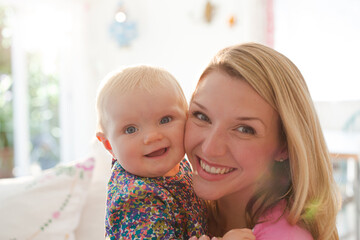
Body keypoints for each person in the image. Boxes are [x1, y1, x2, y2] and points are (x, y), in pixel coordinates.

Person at [185, 43, 341, 240]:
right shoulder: (171, 202)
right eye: (201, 116)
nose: (209, 148)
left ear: (284, 146)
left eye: (244, 129)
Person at [95, 65, 207, 239]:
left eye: (165, 119)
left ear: (188, 118)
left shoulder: (179, 164)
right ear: (109, 145)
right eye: (131, 129)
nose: (152, 137)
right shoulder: (138, 199)